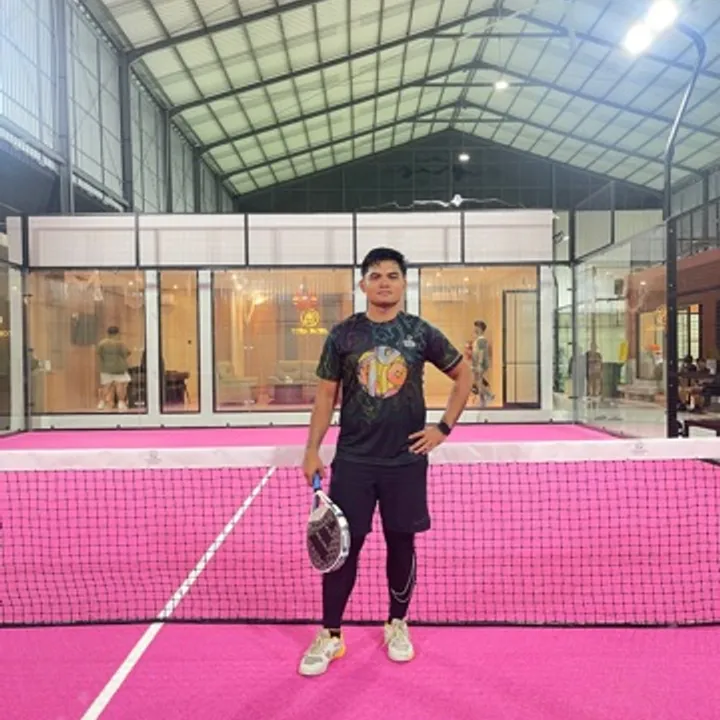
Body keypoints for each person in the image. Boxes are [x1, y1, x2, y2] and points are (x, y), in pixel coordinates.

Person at [298, 247, 473, 677]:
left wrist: (443, 428)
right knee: (343, 548)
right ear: (363, 284)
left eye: (392, 275)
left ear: (403, 283)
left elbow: (464, 375)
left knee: (401, 544)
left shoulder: (420, 332)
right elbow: (325, 395)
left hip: (405, 462)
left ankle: (397, 623)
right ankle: (331, 634)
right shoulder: (343, 335)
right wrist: (312, 448)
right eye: (375, 275)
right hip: (354, 461)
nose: (384, 283)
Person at [96, 326, 131, 411]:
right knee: (120, 385)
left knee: (106, 386)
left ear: (108, 333)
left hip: (106, 368)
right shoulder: (120, 344)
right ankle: (121, 403)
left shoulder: (102, 343)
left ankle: (101, 403)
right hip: (119, 368)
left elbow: (98, 353)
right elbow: (127, 353)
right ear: (117, 333)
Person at [471, 320, 493, 406]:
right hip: (476, 364)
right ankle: (483, 400)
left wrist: (479, 365)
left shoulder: (481, 340)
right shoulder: (478, 339)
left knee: (478, 382)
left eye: (476, 327)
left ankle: (488, 395)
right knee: (478, 382)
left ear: (480, 328)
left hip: (480, 365)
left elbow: (481, 352)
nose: (474, 329)